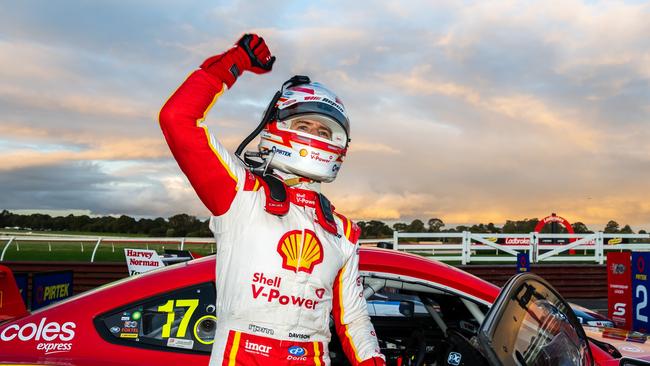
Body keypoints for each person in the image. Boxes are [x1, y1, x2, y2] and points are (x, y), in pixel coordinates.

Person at [159, 33, 385, 366]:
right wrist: (231, 64)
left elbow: (352, 319)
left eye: (324, 132)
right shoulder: (240, 193)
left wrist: (373, 361)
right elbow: (177, 119)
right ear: (275, 126)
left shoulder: (342, 231)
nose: (314, 136)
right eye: (303, 124)